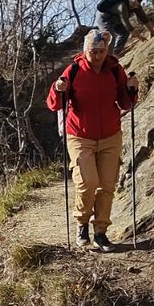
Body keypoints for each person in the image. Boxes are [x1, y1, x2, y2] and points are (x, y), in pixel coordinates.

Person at [48, 27, 139, 251]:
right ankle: (82, 225)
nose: (97, 56)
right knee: (87, 182)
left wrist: (132, 90)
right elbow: (54, 104)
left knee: (106, 185)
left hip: (110, 135)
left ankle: (101, 232)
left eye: (101, 51)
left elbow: (125, 103)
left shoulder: (115, 70)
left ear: (106, 50)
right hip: (80, 135)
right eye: (92, 51)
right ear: (85, 50)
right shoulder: (74, 70)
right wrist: (58, 88)